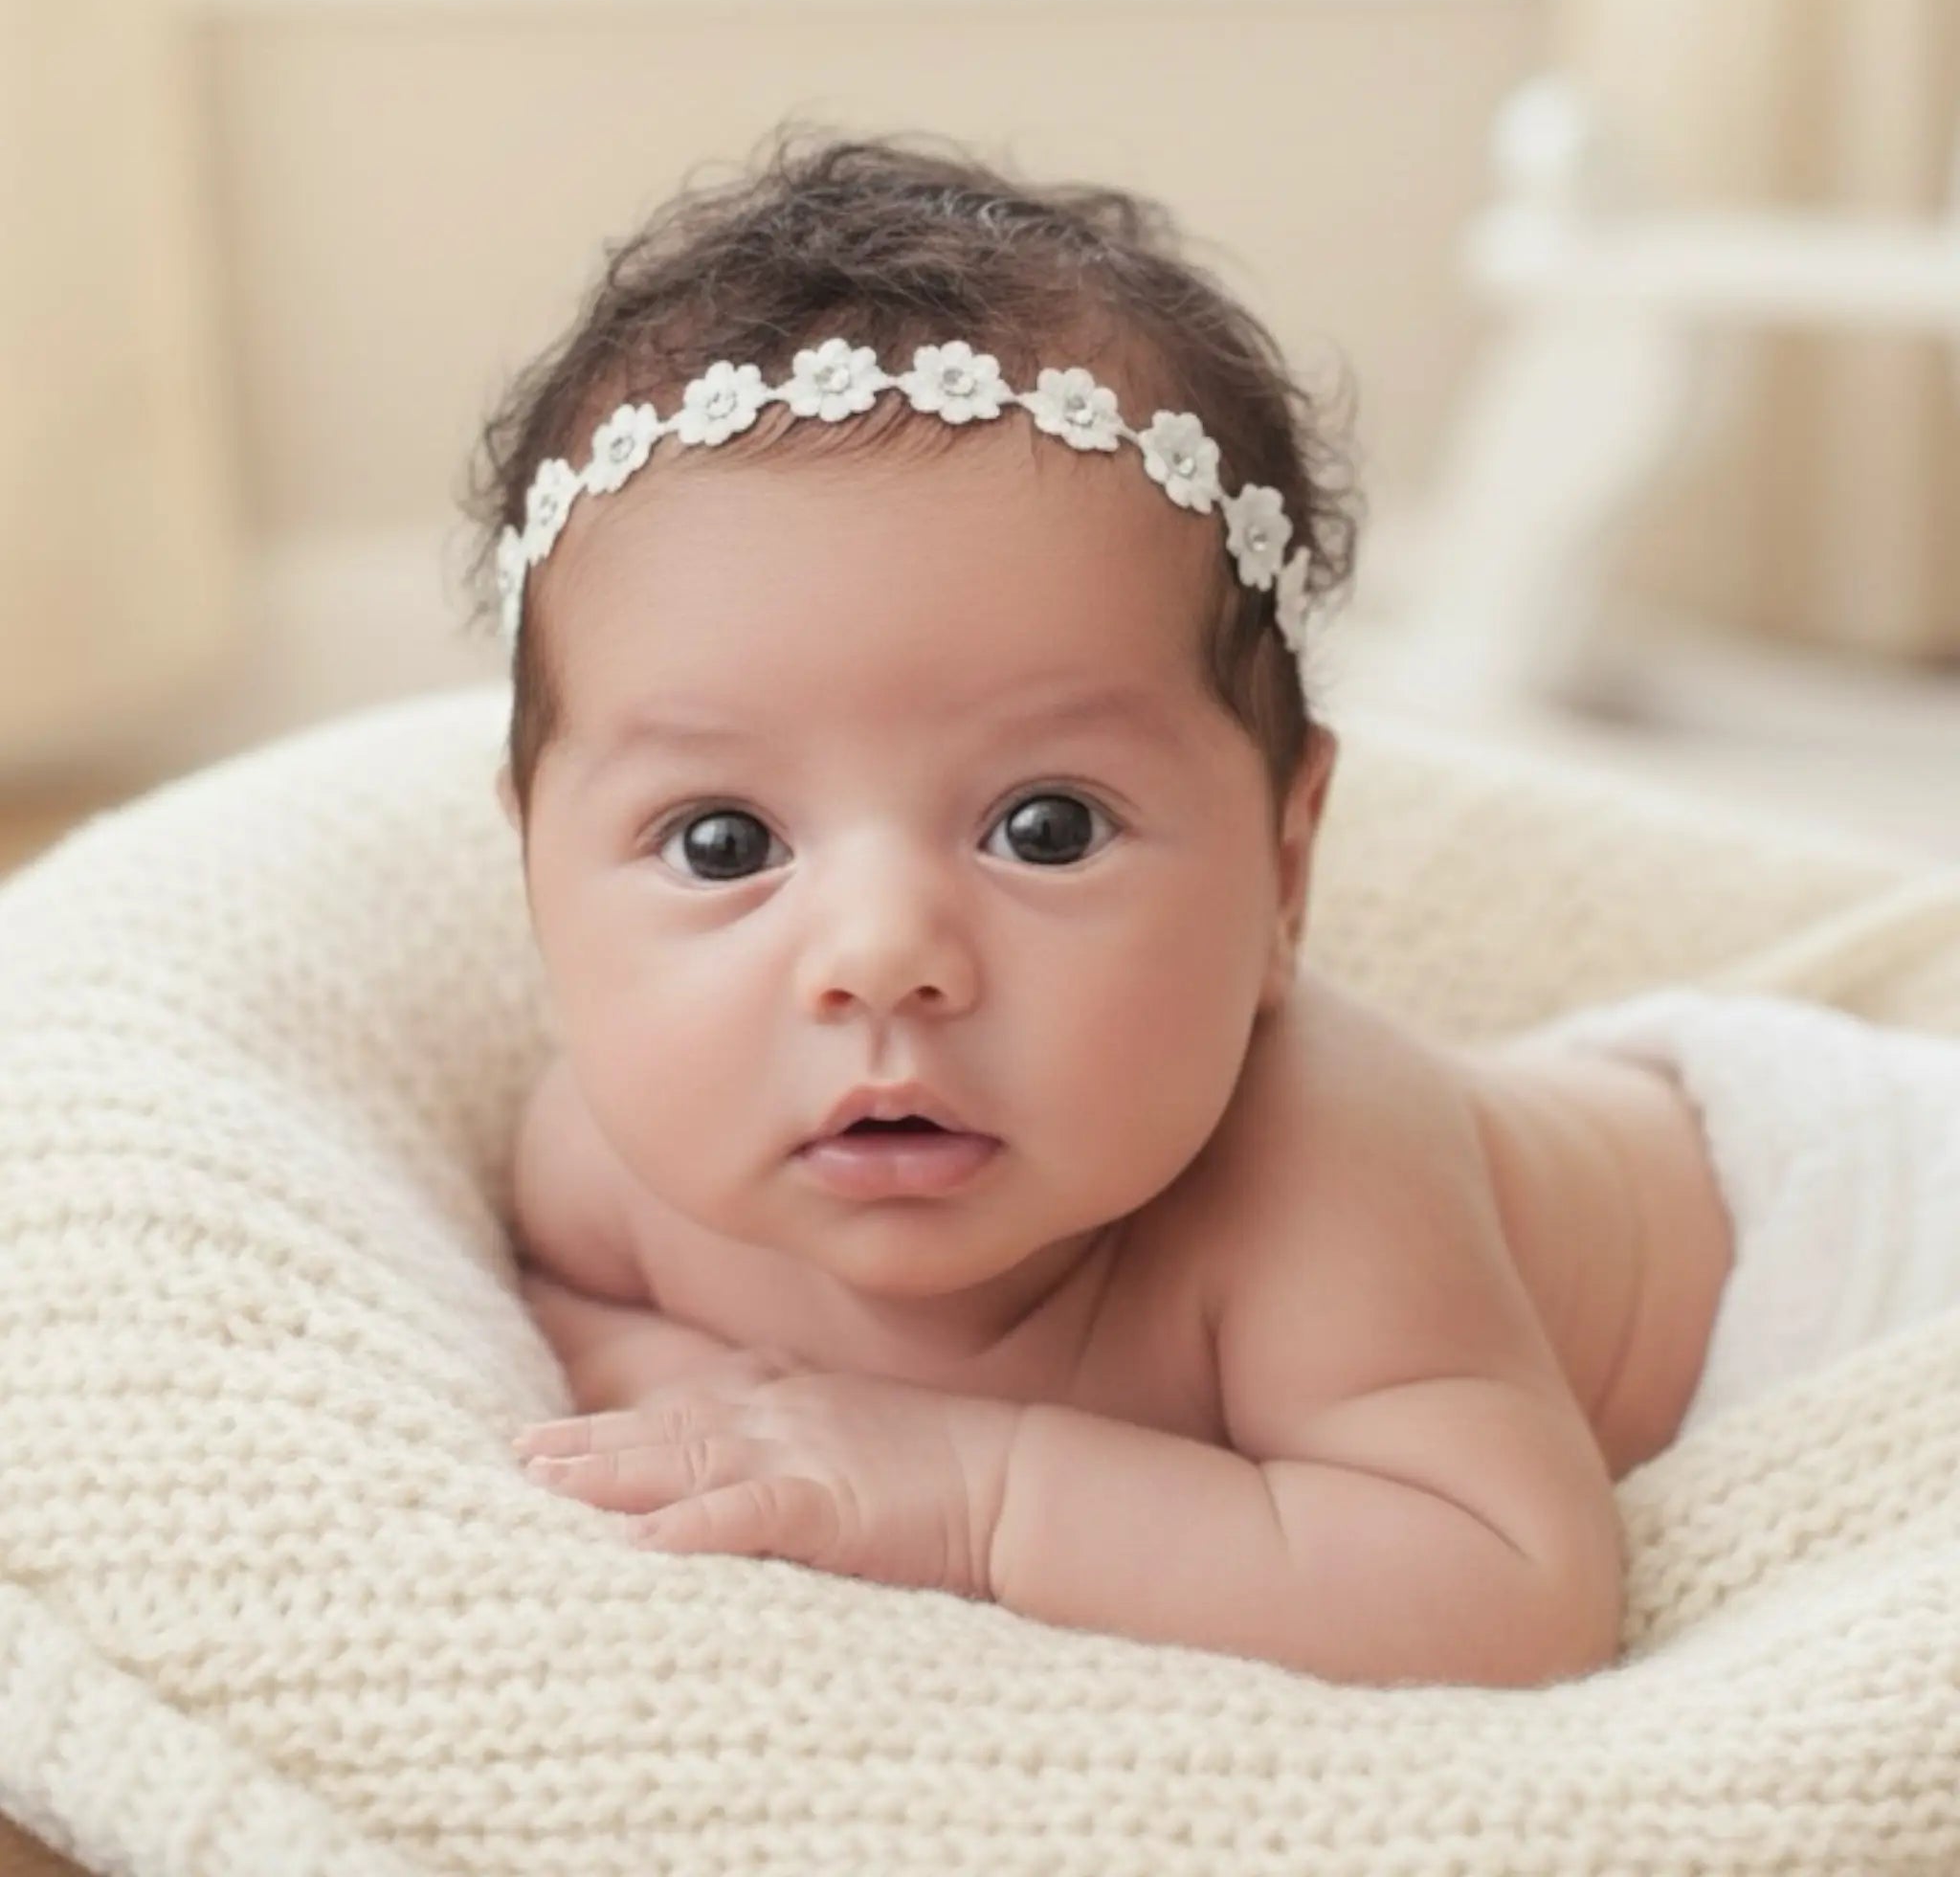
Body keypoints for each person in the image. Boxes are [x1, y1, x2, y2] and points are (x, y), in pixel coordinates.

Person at [476, 129, 1742, 1688]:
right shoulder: (604, 1170)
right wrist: (693, 1389)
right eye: (724, 842)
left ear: (1286, 869)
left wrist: (969, 1487)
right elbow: (576, 1303)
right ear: (536, 878)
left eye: (1046, 828)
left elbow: (1508, 1593)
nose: (883, 956)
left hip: (1800, 1215)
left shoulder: (1318, 1166)